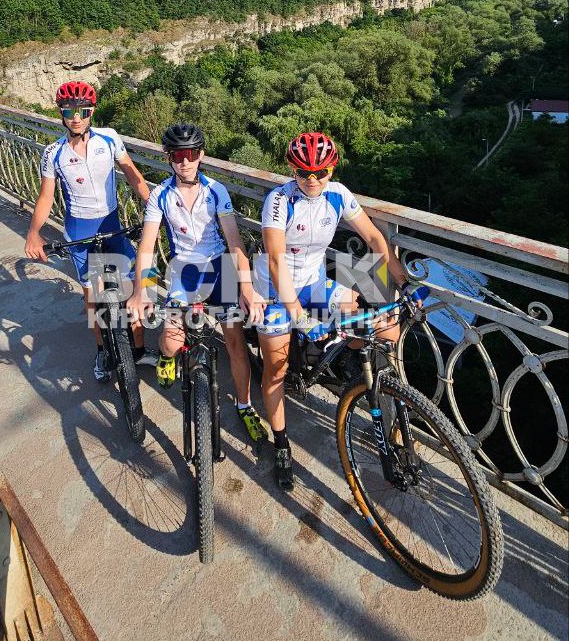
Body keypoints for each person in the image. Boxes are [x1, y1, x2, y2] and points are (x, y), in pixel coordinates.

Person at [256, 131, 410, 491]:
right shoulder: (278, 201)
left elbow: (373, 239)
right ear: (292, 170)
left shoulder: (338, 195)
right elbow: (276, 261)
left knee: (382, 329)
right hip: (275, 292)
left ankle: (359, 380)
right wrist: (297, 314)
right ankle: (280, 444)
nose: (312, 180)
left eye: (321, 173)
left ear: (332, 169)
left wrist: (401, 279)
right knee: (275, 370)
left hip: (314, 282)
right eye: (303, 173)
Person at [126, 123, 268, 445]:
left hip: (220, 267)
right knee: (173, 343)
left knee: (235, 341)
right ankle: (165, 357)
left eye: (190, 154)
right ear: (169, 158)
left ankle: (244, 406)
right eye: (177, 155)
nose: (184, 161)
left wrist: (246, 287)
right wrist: (141, 290)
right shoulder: (160, 195)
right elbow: (147, 248)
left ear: (201, 155)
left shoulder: (217, 191)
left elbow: (235, 244)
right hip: (184, 271)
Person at [25, 80, 153, 380]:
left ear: (92, 111)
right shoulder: (52, 152)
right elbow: (46, 196)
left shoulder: (109, 139)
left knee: (137, 281)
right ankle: (102, 352)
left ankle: (139, 349)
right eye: (69, 111)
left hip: (111, 225)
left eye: (82, 110)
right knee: (93, 297)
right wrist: (33, 232)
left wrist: (152, 205)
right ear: (61, 113)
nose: (76, 117)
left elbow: (133, 175)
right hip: (79, 232)